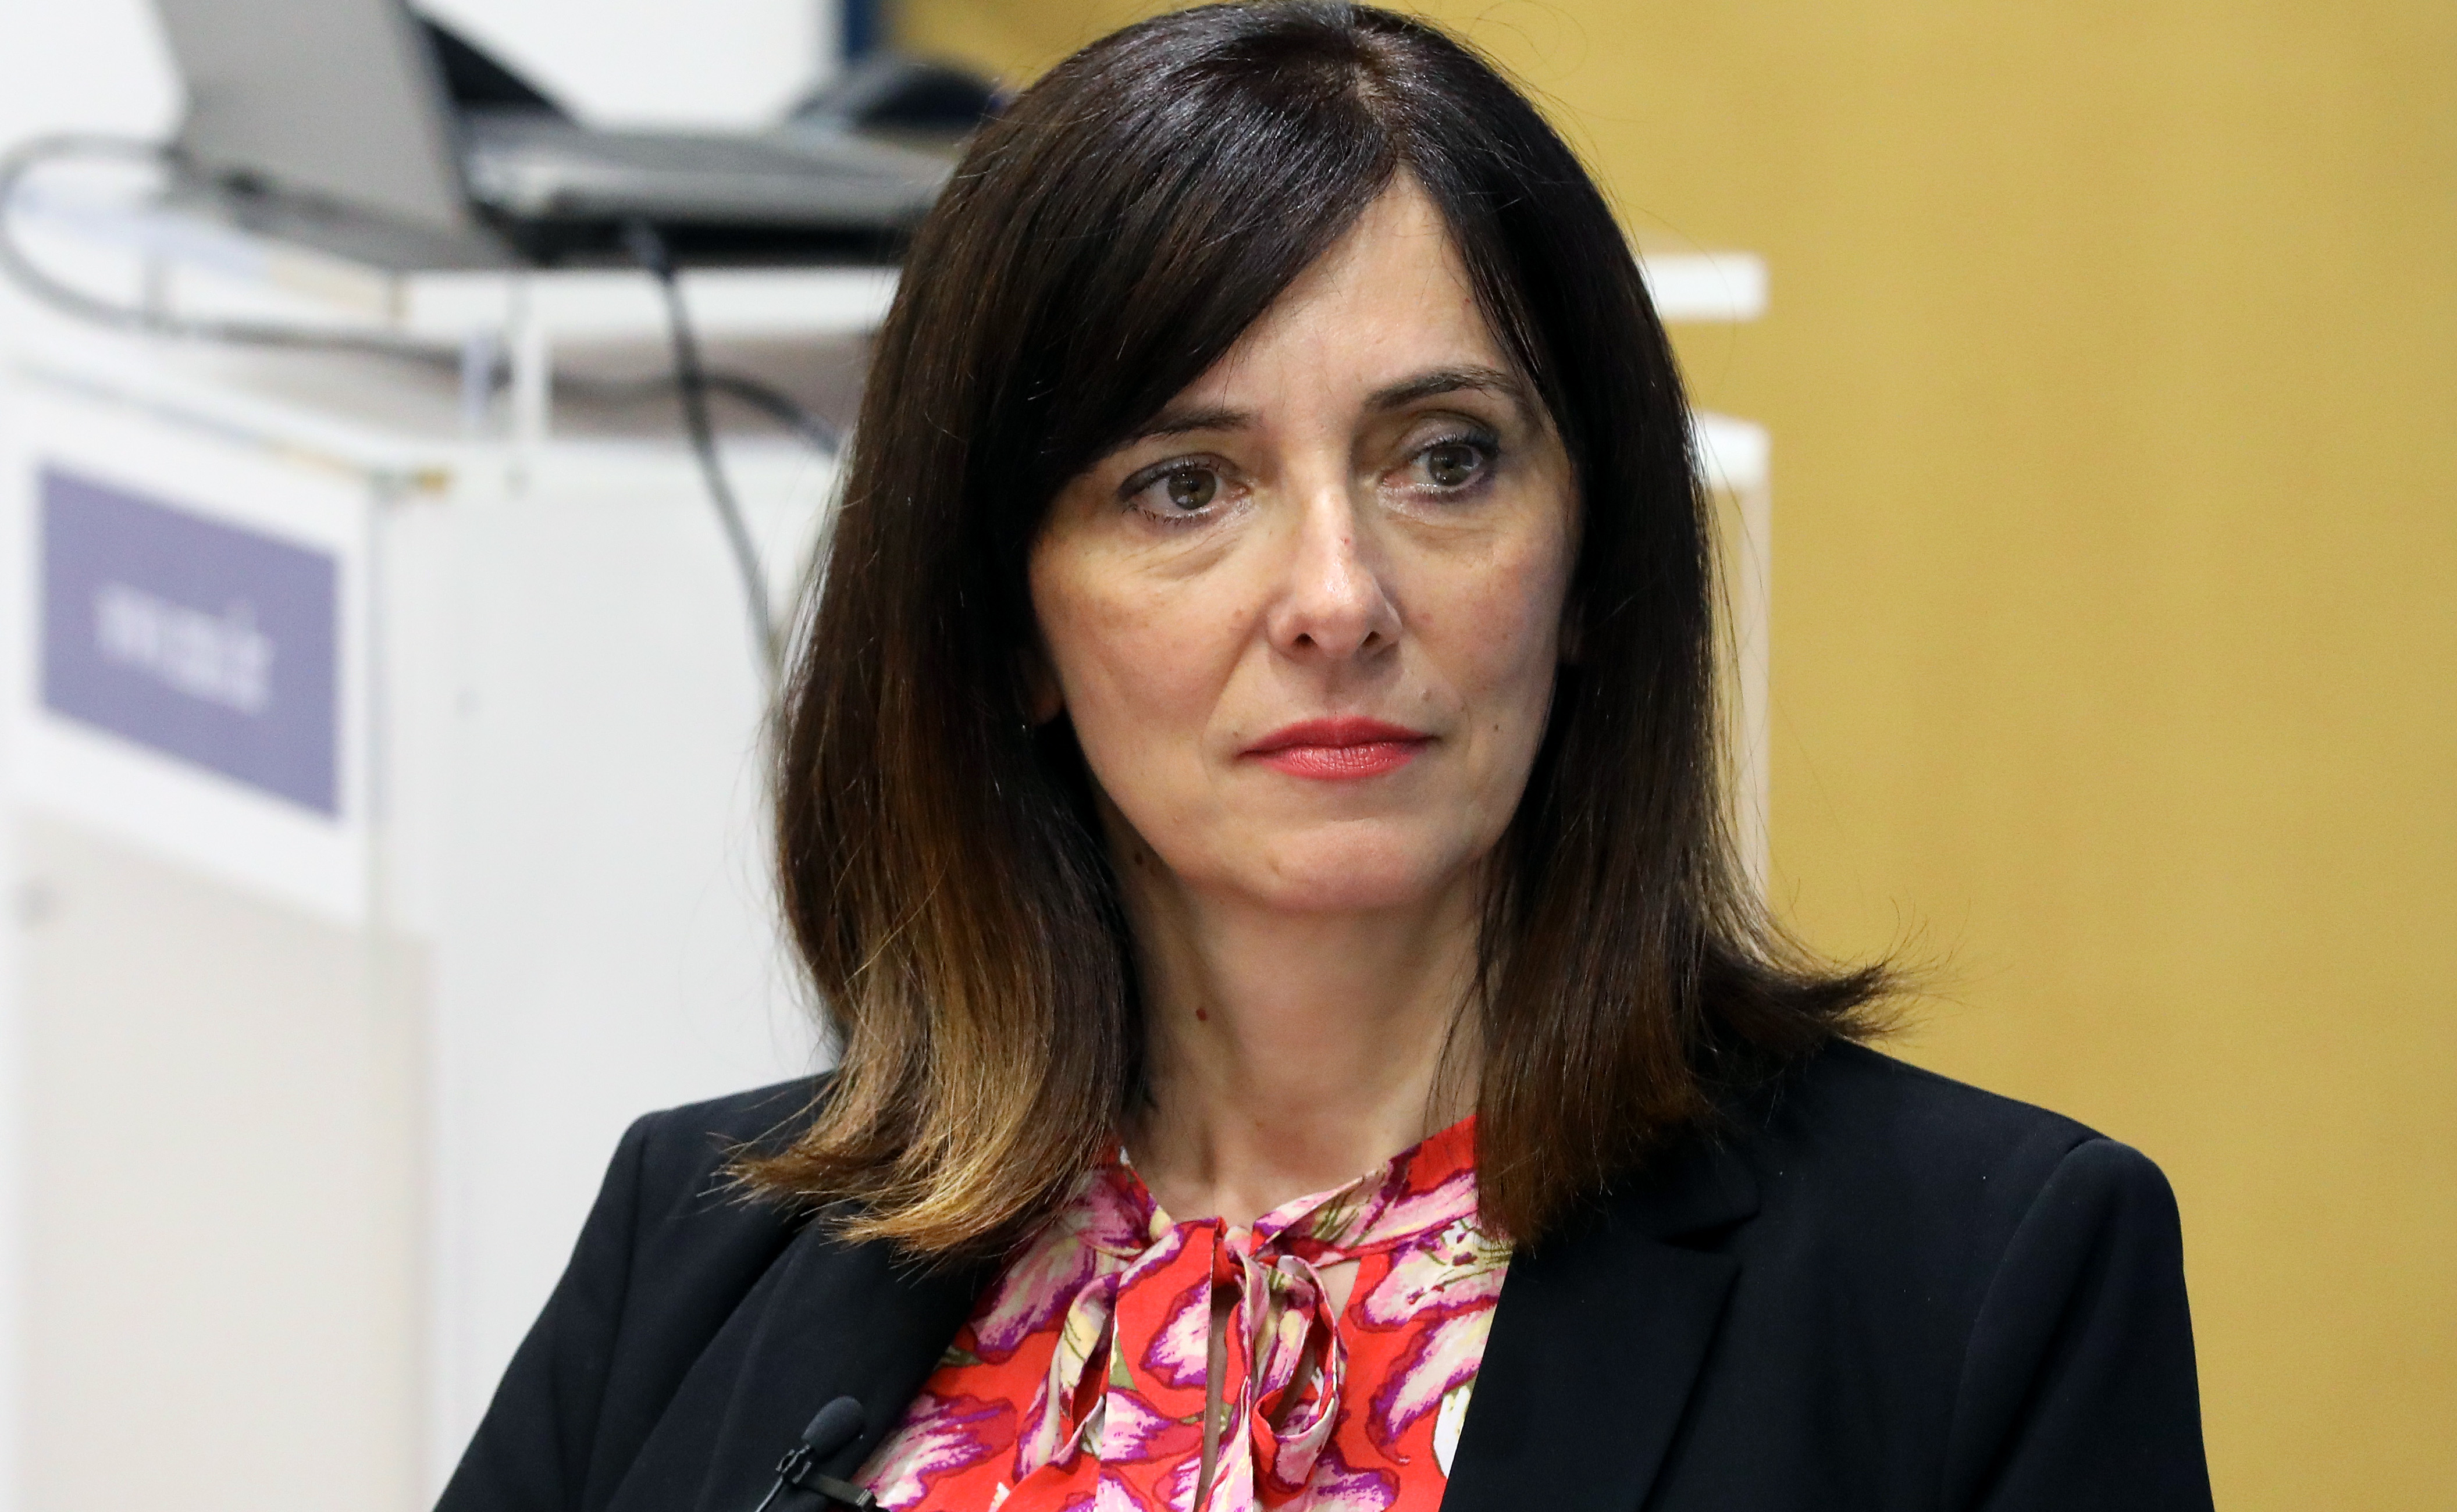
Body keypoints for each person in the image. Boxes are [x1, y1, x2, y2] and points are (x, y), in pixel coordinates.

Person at [437, 5, 2214, 1510]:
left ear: (1594, 564)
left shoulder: (1980, 1284)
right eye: (1184, 487)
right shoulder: (694, 1251)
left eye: (1445, 460)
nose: (1338, 599)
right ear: (1006, 624)